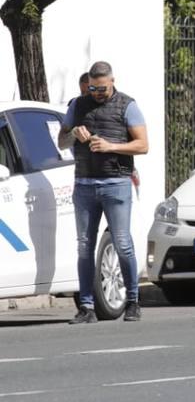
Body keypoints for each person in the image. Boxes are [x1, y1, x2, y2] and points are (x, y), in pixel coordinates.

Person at [58, 61, 149, 323]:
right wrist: (74, 133)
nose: (97, 93)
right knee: (84, 246)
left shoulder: (127, 105)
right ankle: (86, 307)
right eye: (93, 88)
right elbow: (61, 142)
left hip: (116, 183)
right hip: (85, 184)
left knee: (122, 243)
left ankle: (132, 300)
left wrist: (110, 146)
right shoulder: (78, 104)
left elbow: (143, 145)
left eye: (102, 88)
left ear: (112, 81)